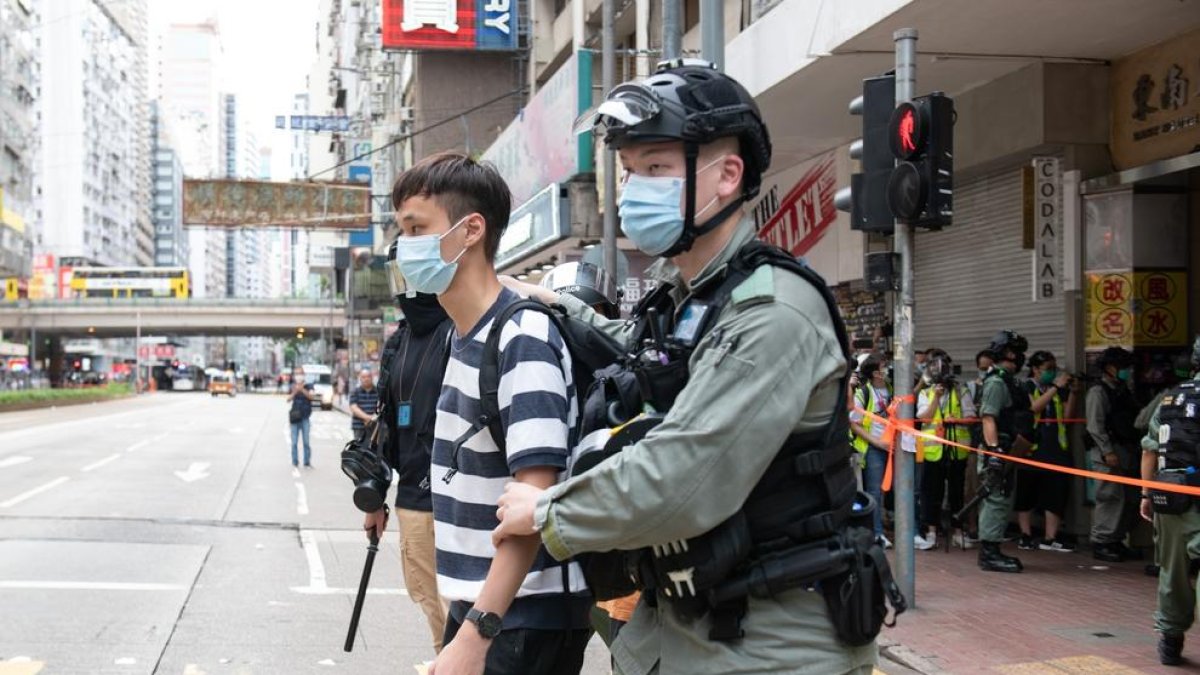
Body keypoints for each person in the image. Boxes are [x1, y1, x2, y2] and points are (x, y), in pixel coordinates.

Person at [494, 59, 884, 674]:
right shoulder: (693, 295)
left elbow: (687, 474)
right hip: (684, 621)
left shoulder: (772, 312)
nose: (631, 192)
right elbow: (641, 351)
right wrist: (554, 302)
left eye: (654, 169)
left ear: (727, 175)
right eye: (628, 173)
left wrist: (548, 512)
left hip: (769, 643)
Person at [391, 152, 592, 675]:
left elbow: (533, 501)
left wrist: (476, 636)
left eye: (417, 228)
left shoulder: (520, 337)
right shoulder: (463, 336)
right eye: (401, 232)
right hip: (489, 609)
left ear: (470, 230)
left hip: (522, 616)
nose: (403, 248)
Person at [363, 244, 455, 654]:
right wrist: (374, 497)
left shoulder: (464, 328)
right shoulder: (398, 342)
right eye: (400, 271)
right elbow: (386, 425)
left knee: (465, 607)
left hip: (464, 500)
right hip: (414, 501)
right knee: (429, 600)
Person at [1139, 335, 1200, 667]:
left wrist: (1146, 494)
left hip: (1170, 496)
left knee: (1172, 572)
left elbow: (1149, 450)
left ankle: (1170, 640)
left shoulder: (1171, 398)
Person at [976, 330, 1034, 573]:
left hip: (1011, 448)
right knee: (996, 500)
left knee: (1002, 498)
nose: (1020, 358)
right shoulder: (997, 382)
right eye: (1016, 353)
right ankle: (989, 553)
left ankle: (993, 546)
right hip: (999, 449)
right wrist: (994, 452)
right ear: (1007, 354)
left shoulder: (1011, 382)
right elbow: (989, 417)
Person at [1015, 351, 1079, 552]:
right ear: (1035, 369)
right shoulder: (1026, 387)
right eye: (1048, 369)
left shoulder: (1058, 390)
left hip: (1055, 447)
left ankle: (1050, 538)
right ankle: (1025, 535)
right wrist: (1055, 387)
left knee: (1056, 492)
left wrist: (1073, 393)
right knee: (1026, 492)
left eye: (1054, 369)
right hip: (1031, 447)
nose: (1052, 373)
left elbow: (1067, 417)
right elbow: (1034, 407)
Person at [916, 349, 977, 550]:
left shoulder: (961, 391)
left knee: (956, 493)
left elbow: (971, 417)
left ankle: (958, 532)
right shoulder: (925, 392)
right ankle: (931, 532)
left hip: (956, 450)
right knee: (931, 493)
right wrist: (936, 398)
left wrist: (956, 420)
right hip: (933, 452)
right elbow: (924, 418)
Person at [1087, 346, 1143, 563]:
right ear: (1110, 368)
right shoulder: (1098, 391)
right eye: (1123, 367)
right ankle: (1102, 541)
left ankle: (1116, 539)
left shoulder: (1122, 389)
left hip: (1127, 450)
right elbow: (1095, 426)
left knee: (1129, 498)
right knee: (1110, 497)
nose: (1127, 371)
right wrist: (1107, 451)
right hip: (1108, 452)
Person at [851, 353, 893, 548]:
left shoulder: (892, 390)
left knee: (890, 492)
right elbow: (854, 424)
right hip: (873, 449)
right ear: (876, 373)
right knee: (874, 492)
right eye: (885, 366)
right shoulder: (863, 393)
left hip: (892, 447)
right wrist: (877, 443)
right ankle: (877, 534)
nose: (889, 369)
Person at [287, 368, 317, 467]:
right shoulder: (292, 385)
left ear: (304, 375)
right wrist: (296, 391)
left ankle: (307, 461)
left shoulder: (309, 385)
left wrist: (303, 390)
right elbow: (288, 399)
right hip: (295, 418)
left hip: (305, 417)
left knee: (306, 441)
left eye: (300, 374)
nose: (298, 376)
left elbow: (312, 397)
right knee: (294, 442)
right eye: (297, 374)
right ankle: (295, 461)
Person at [348, 368, 380, 437]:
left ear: (372, 378)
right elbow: (353, 408)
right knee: (358, 447)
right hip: (359, 426)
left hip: (375, 427)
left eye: (368, 376)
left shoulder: (378, 392)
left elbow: (380, 407)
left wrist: (373, 419)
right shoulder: (355, 392)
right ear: (360, 379)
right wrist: (367, 418)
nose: (366, 379)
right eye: (363, 377)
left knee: (374, 447)